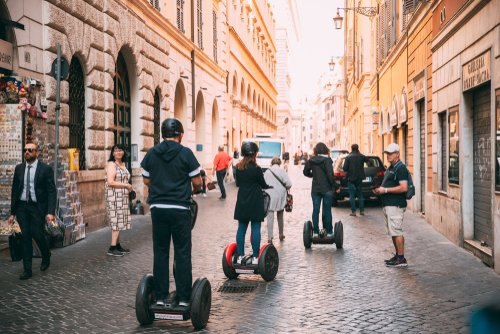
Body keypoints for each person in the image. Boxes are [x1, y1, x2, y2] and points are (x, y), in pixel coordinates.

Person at [141, 118, 202, 307]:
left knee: (160, 252)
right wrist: (190, 188)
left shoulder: (152, 153)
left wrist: (160, 185)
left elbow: (145, 180)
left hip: (158, 209)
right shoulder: (186, 153)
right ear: (181, 135)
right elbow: (198, 182)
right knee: (182, 253)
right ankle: (184, 299)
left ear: (162, 134)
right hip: (180, 209)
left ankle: (160, 297)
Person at [8, 142, 56, 280]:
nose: (27, 152)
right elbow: (15, 191)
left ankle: (46, 254)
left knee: (37, 234)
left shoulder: (45, 169)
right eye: (25, 150)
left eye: (30, 150)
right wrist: (13, 213)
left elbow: (51, 192)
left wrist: (50, 212)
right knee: (25, 237)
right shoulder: (19, 168)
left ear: (37, 153)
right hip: (22, 207)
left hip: (37, 207)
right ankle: (27, 270)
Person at [234, 141, 271, 265]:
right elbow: (263, 184)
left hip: (243, 201)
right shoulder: (257, 169)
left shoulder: (238, 168)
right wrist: (267, 186)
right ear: (255, 154)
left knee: (241, 229)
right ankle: (255, 257)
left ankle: (240, 257)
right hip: (255, 201)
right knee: (255, 229)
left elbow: (238, 183)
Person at [373, 143, 409, 268]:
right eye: (387, 153)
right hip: (388, 205)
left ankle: (401, 258)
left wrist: (385, 190)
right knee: (393, 232)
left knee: (397, 231)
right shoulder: (391, 167)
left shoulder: (401, 168)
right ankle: (398, 255)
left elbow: (404, 187)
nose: (388, 155)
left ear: (397, 154)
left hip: (396, 205)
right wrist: (379, 190)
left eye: (391, 153)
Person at [105, 143, 133, 256]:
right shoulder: (112, 164)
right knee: (116, 221)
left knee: (120, 220)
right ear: (112, 153)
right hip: (114, 197)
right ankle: (112, 248)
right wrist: (126, 185)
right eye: (116, 150)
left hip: (123, 197)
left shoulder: (123, 164)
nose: (118, 152)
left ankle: (117, 245)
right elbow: (110, 182)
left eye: (120, 150)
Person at [303, 142, 335, 238]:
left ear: (315, 150)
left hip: (316, 189)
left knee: (316, 210)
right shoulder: (327, 160)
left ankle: (316, 232)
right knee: (327, 210)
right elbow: (330, 175)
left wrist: (313, 175)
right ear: (325, 150)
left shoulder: (311, 160)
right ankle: (329, 232)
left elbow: (305, 172)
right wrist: (334, 186)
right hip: (327, 189)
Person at [264, 157, 292, 243]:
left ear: (271, 163)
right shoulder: (282, 171)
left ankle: (270, 237)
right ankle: (281, 234)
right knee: (280, 215)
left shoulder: (267, 172)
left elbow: (263, 184)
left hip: (270, 196)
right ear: (279, 163)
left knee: (270, 216)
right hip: (280, 196)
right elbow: (289, 184)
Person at [343, 143, 368, 216]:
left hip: (351, 178)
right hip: (359, 178)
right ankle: (362, 211)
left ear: (351, 148)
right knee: (360, 194)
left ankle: (353, 211)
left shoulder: (348, 157)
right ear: (358, 148)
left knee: (352, 195)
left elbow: (344, 168)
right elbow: (367, 159)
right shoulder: (361, 156)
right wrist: (359, 153)